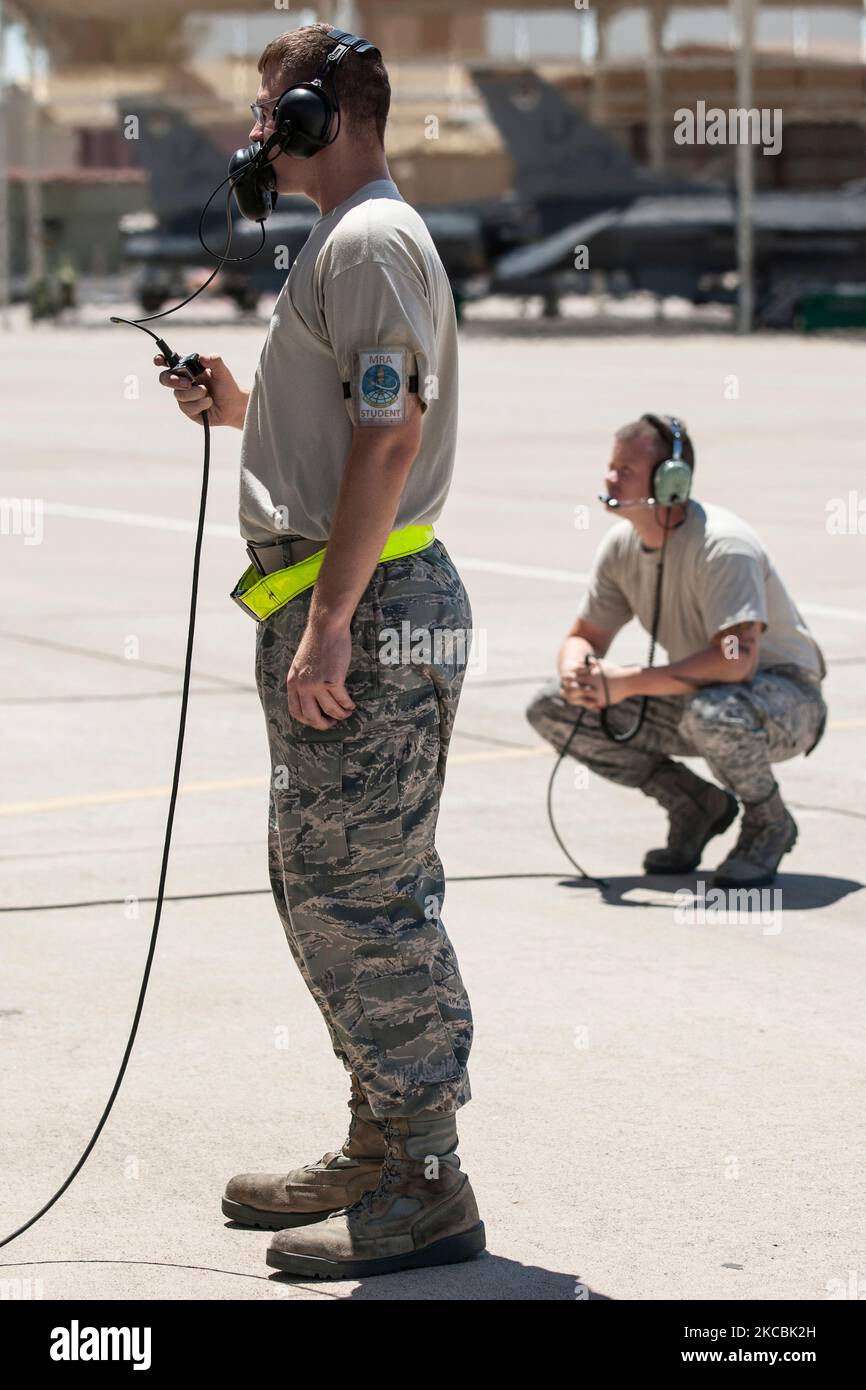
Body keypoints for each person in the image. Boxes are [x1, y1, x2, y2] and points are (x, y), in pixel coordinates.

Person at [156, 22, 483, 1279]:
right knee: (320, 887)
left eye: (266, 112)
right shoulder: (346, 246)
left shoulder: (373, 238)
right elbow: (348, 416)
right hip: (338, 598)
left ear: (315, 115)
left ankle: (426, 1180)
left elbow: (390, 443)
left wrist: (335, 621)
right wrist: (241, 407)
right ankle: (378, 1135)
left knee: (363, 894)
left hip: (372, 609)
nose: (251, 136)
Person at [526, 415, 827, 888]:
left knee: (713, 713)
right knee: (554, 707)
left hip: (783, 699)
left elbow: (735, 659)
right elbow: (584, 635)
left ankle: (770, 821)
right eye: (611, 465)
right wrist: (577, 673)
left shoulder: (722, 546)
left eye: (625, 468)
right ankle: (694, 805)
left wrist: (624, 682)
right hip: (705, 694)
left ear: (672, 481)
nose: (609, 478)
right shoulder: (622, 545)